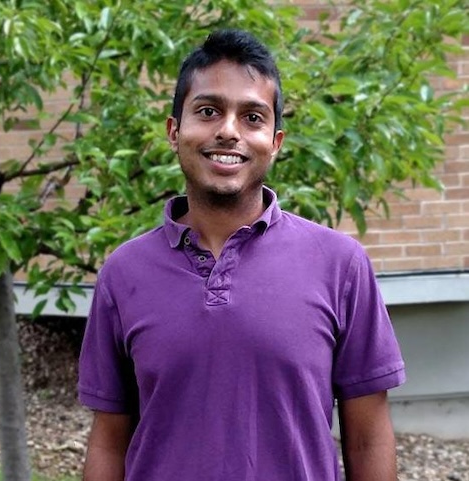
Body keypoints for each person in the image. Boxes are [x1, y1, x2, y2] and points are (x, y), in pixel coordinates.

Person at [78, 29, 405, 481]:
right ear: (175, 131)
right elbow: (108, 440)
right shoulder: (123, 274)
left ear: (275, 141)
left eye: (252, 117)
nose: (228, 131)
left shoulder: (340, 265)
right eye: (208, 111)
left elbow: (368, 436)